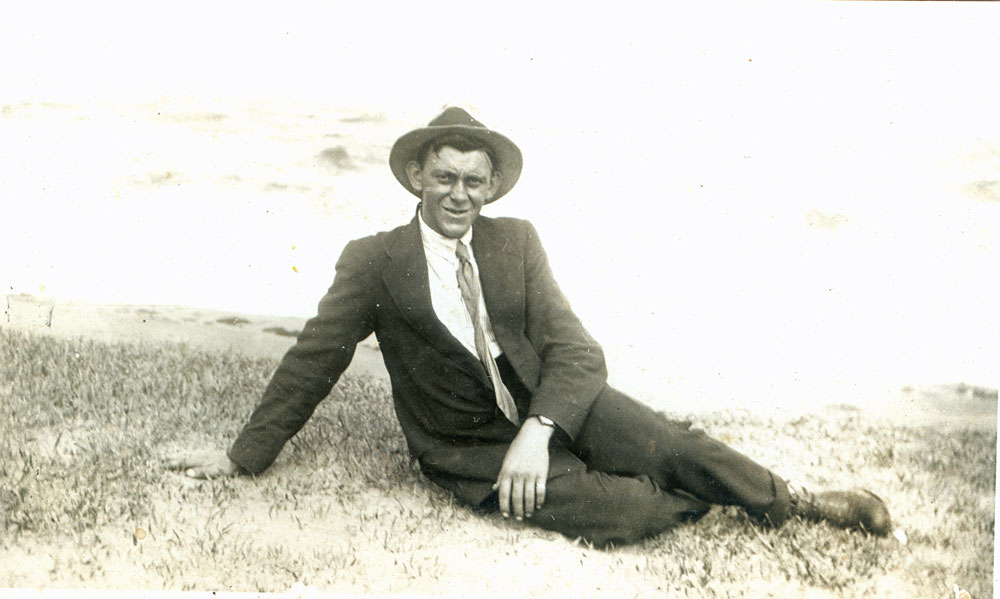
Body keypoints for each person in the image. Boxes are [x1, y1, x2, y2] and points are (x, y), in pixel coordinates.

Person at [165, 107, 891, 546]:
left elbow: (575, 349)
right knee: (624, 512)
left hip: (551, 407)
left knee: (673, 442)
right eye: (444, 177)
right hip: (467, 445)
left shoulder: (516, 242)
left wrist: (542, 431)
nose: (459, 194)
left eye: (473, 181)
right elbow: (312, 360)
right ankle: (673, 489)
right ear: (418, 176)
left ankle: (796, 502)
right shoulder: (374, 262)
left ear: (491, 186)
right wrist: (243, 455)